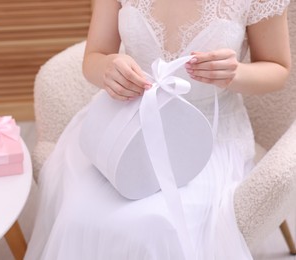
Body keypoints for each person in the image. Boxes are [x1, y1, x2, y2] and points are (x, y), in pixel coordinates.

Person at [25, 0, 291, 259]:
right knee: (80, 214)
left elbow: (277, 68)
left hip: (209, 135)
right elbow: (94, 57)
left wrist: (235, 74)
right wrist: (109, 68)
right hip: (128, 122)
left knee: (154, 226)